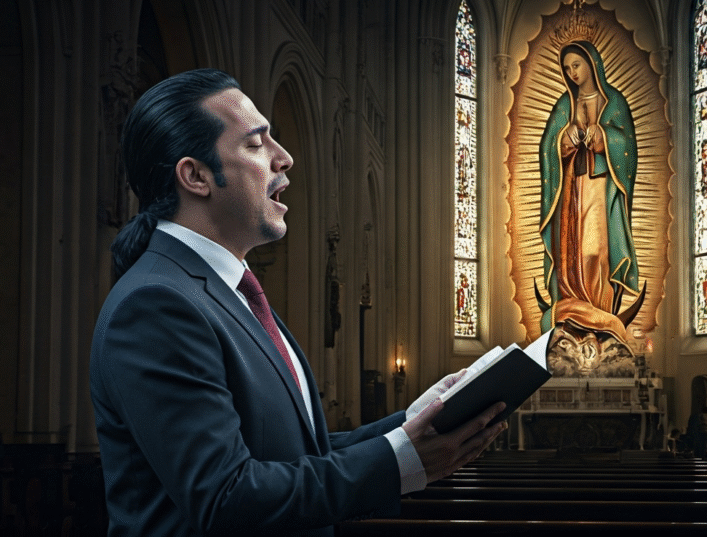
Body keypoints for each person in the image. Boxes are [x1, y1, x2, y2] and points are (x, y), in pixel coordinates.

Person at [90, 68, 507, 536]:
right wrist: (401, 462)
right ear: (196, 176)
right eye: (255, 143)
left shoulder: (227, 291)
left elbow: (295, 455)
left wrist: (413, 423)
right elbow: (227, 497)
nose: (284, 158)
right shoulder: (156, 304)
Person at [537, 40, 641, 343]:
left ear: (592, 63)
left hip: (599, 188)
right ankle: (573, 313)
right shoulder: (564, 105)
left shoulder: (614, 102)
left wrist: (604, 136)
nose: (572, 73)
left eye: (576, 65)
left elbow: (628, 148)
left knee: (595, 251)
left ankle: (598, 313)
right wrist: (563, 138)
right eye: (567, 68)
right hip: (570, 189)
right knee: (569, 254)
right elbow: (546, 147)